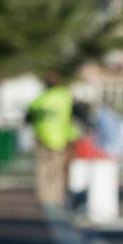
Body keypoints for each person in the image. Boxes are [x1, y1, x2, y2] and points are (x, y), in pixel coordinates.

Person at [26, 76, 78, 215]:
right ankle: (56, 200)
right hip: (60, 140)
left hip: (41, 138)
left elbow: (28, 117)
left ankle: (45, 200)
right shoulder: (64, 97)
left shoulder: (39, 100)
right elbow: (73, 116)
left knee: (43, 170)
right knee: (57, 171)